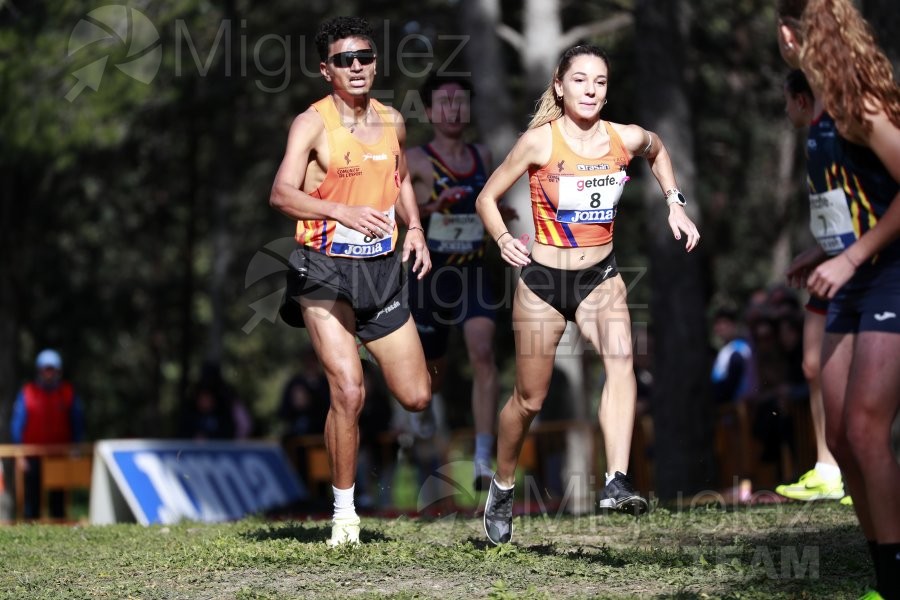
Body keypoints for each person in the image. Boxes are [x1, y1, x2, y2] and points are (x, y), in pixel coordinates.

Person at [475, 44, 700, 545]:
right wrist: (504, 239)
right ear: (560, 85)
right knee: (529, 399)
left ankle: (616, 479)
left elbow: (658, 148)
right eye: (580, 80)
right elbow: (486, 197)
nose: (591, 89)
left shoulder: (624, 138)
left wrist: (674, 203)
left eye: (599, 81)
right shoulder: (539, 142)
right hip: (543, 286)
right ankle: (503, 485)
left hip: (600, 279)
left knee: (621, 361)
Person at [269, 16, 432, 546]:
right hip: (323, 269)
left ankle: (356, 349)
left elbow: (400, 177)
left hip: (381, 272)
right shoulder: (311, 124)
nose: (356, 67)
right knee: (349, 389)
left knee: (416, 397)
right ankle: (344, 515)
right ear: (326, 70)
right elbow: (281, 194)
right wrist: (338, 210)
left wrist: (417, 230)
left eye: (364, 57)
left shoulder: (392, 122)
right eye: (344, 60)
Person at [777, 2, 900, 598]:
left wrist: (853, 256)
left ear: (788, 36)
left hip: (889, 277)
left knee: (866, 428)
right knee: (846, 439)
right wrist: (824, 251)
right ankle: (883, 571)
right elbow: (858, 202)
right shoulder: (819, 111)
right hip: (851, 278)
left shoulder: (860, 104)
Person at [406, 71, 513, 490]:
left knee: (483, 354)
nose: (454, 110)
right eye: (445, 102)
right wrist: (435, 205)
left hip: (471, 272)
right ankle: (415, 420)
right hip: (428, 275)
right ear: (430, 111)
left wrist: (504, 215)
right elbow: (398, 211)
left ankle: (484, 458)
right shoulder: (415, 158)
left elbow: (487, 203)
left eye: (461, 102)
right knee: (431, 375)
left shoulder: (483, 156)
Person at [775, 69, 846, 504]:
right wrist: (818, 251)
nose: (785, 110)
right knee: (813, 366)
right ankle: (827, 469)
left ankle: (861, 466)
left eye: (787, 99)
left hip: (859, 267)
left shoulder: (843, 131)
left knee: (850, 372)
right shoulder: (814, 138)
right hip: (829, 261)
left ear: (802, 99)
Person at [9, 349, 85, 519]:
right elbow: (17, 425)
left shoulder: (67, 393)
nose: (49, 374)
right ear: (39, 371)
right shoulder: (27, 393)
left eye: (52, 370)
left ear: (58, 371)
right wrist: (20, 453)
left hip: (59, 455)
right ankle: (30, 532)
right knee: (32, 499)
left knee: (58, 500)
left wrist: (76, 447)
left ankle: (59, 531)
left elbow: (77, 422)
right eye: (45, 369)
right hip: (32, 455)